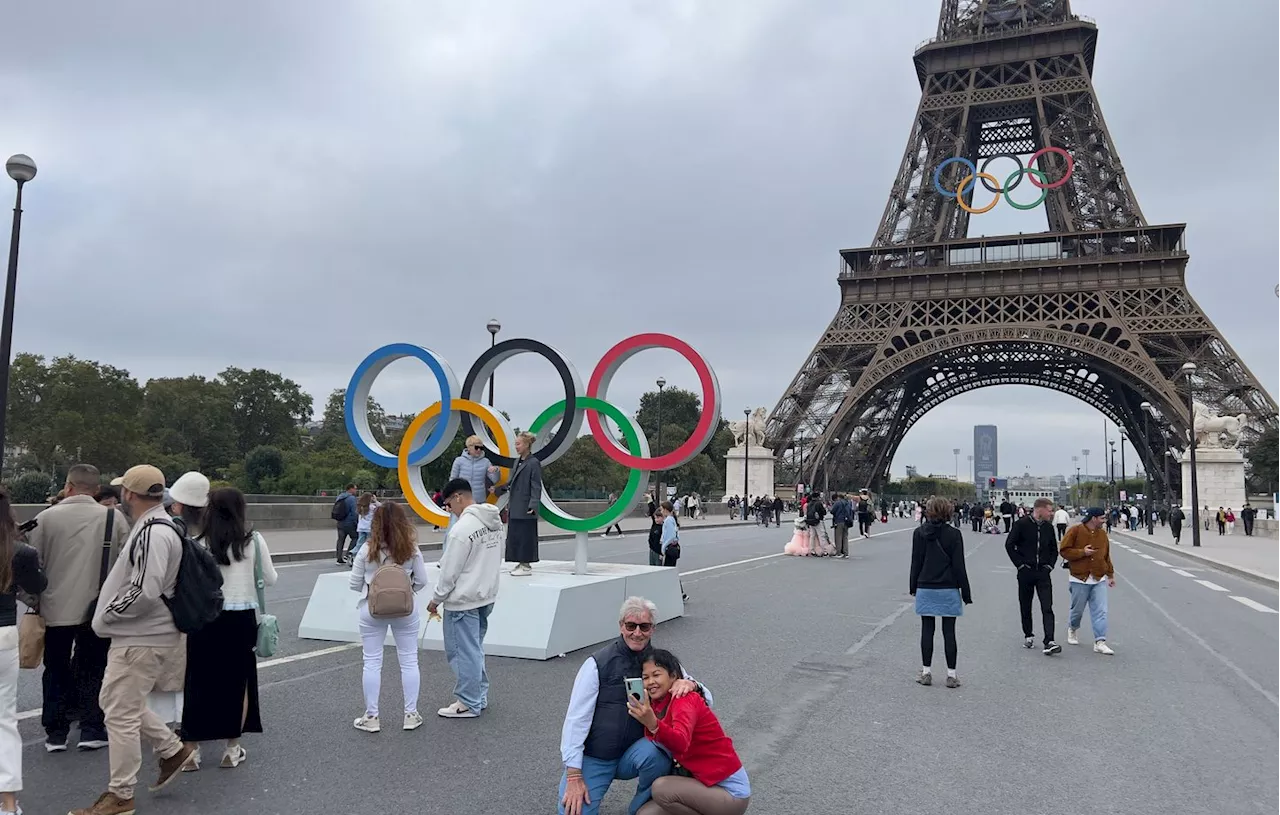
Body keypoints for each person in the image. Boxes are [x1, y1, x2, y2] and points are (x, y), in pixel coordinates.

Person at [73, 465, 199, 815]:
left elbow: (145, 590)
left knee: (119, 715)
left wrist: (106, 614)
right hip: (149, 633)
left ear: (128, 493)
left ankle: (121, 793)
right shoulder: (164, 526)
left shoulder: (151, 531)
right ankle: (171, 750)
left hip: (139, 635)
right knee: (118, 704)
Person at [558, 597, 711, 815]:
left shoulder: (662, 663)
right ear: (621, 626)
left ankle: (640, 809)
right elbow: (576, 719)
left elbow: (707, 698)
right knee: (572, 811)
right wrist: (574, 775)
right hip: (597, 756)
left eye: (644, 626)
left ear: (653, 629)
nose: (637, 633)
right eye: (631, 626)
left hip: (636, 753)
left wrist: (691, 684)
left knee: (657, 753)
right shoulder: (596, 664)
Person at [26, 463, 128, 753]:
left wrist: (35, 601)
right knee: (93, 667)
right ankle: (92, 727)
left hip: (54, 606)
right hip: (98, 607)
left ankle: (55, 732)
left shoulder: (45, 519)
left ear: (68, 485)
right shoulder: (114, 518)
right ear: (96, 490)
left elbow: (33, 565)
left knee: (56, 667)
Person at [180, 487, 276, 769]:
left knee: (197, 681)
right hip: (240, 616)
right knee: (238, 683)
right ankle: (232, 748)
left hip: (204, 618)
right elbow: (269, 579)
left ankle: (191, 750)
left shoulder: (196, 541)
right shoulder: (253, 541)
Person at [628, 649, 751, 815]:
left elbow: (681, 742)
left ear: (673, 676)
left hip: (730, 793)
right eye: (645, 678)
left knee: (662, 789)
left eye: (656, 675)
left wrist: (654, 724)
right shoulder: (656, 705)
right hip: (701, 785)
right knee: (645, 813)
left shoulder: (684, 699)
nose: (650, 682)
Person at [348, 501, 430, 733]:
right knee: (409, 660)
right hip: (405, 609)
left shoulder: (366, 549)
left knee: (372, 662)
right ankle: (411, 714)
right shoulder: (411, 549)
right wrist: (407, 589)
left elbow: (354, 583)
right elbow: (423, 580)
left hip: (372, 610)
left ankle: (372, 716)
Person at [427, 479, 503, 719]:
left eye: (449, 504)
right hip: (486, 594)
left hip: (463, 599)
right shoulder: (494, 522)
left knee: (462, 652)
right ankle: (478, 695)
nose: (449, 509)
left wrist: (436, 599)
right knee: (475, 649)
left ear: (458, 497)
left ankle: (468, 702)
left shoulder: (461, 530)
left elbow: (449, 572)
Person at [1, 487, 49, 815]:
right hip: (2, 634)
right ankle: (8, 803)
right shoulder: (18, 552)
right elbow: (38, 586)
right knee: (4, 720)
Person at [908, 496, 972, 688]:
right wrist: (966, 592)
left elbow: (916, 562)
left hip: (926, 586)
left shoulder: (919, 533)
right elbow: (959, 565)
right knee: (949, 632)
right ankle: (951, 675)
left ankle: (926, 672)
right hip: (948, 587)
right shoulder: (954, 535)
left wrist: (913, 586)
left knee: (927, 630)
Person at [1004, 498, 1062, 656]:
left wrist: (1049, 566)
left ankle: (1049, 640)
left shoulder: (1048, 528)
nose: (1051, 513)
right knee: (1025, 604)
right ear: (1040, 509)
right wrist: (1020, 565)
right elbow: (1009, 545)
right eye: (1049, 510)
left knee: (1047, 606)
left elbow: (1053, 549)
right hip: (1026, 571)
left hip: (1043, 572)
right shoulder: (1021, 525)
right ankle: (1028, 634)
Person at [1058, 508, 1115, 656]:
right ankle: (1073, 628)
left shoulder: (1102, 534)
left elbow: (1106, 555)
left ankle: (1100, 641)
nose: (1104, 521)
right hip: (1079, 578)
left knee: (1101, 611)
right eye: (1102, 518)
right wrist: (1082, 552)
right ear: (1093, 518)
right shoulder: (1075, 531)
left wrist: (1110, 574)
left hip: (1098, 577)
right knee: (1077, 610)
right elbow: (1064, 550)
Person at [493, 431, 543, 576]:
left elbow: (536, 486)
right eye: (515, 444)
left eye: (518, 444)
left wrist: (533, 505)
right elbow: (512, 482)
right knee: (516, 535)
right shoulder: (517, 461)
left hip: (525, 505)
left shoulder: (533, 463)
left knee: (525, 535)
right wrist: (498, 490)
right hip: (515, 505)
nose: (516, 446)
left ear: (527, 444)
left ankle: (526, 564)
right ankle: (520, 562)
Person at [660, 503, 688, 602]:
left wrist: (663, 547)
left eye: (662, 509)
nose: (661, 511)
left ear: (665, 509)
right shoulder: (672, 519)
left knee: (669, 572)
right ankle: (680, 593)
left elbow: (671, 536)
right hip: (675, 548)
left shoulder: (668, 520)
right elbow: (676, 536)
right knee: (671, 571)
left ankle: (676, 593)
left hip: (669, 548)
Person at [345, 492, 379, 563]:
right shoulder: (372, 507)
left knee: (359, 543)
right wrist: (375, 500)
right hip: (369, 528)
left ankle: (353, 553)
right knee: (369, 544)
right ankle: (368, 557)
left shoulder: (360, 507)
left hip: (361, 528)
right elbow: (381, 507)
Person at [333, 483, 359, 565]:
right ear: (350, 489)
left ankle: (339, 558)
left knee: (340, 540)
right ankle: (348, 554)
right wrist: (356, 523)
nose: (356, 490)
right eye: (355, 489)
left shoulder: (340, 497)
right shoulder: (352, 498)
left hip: (340, 522)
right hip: (349, 523)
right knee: (355, 537)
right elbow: (354, 512)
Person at [829, 493, 853, 559]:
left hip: (839, 521)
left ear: (839, 497)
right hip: (847, 521)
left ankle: (838, 552)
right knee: (845, 537)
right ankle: (846, 553)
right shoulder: (848, 503)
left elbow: (832, 511)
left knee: (838, 537)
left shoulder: (837, 503)